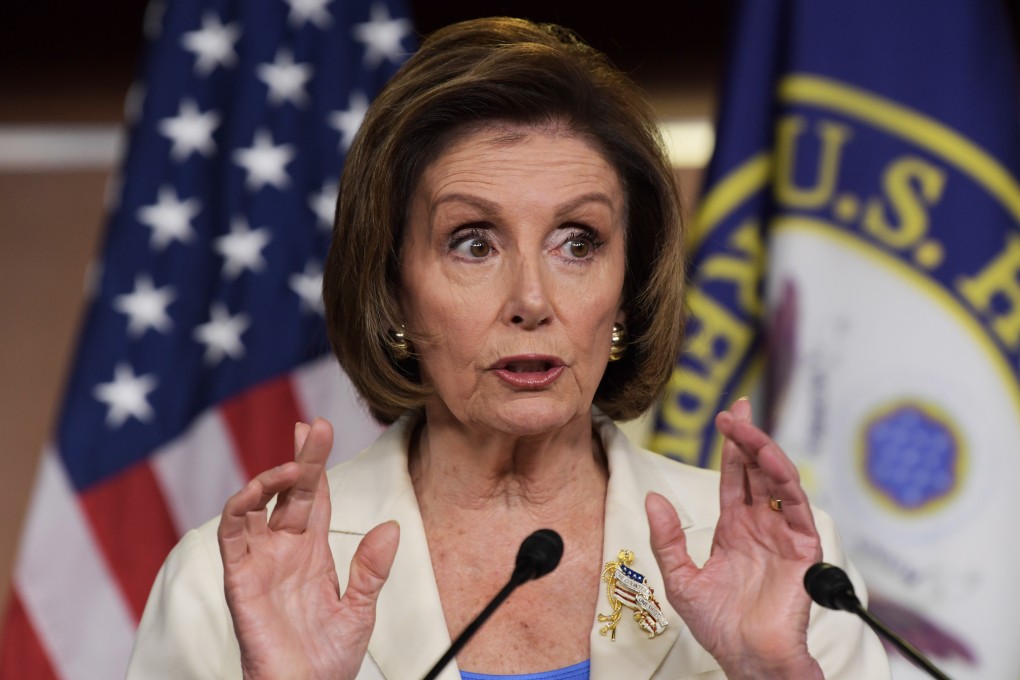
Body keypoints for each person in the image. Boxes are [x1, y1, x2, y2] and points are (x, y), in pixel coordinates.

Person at [128, 17, 890, 680]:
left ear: (627, 287)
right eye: (472, 243)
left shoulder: (783, 562)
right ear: (391, 288)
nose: (532, 301)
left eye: (577, 243)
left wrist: (770, 674)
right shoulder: (230, 583)